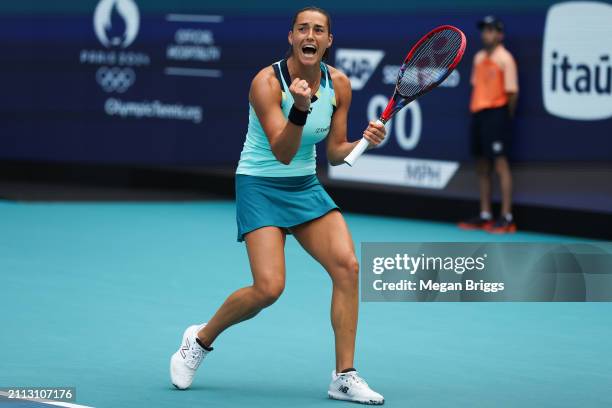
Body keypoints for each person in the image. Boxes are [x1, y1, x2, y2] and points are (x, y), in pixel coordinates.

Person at [169, 7, 386, 405]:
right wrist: (300, 109)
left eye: (319, 30)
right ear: (291, 37)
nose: (310, 35)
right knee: (268, 288)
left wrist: (366, 141)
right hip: (260, 185)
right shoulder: (266, 83)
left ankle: (344, 375)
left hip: (304, 186)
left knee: (348, 267)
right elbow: (282, 152)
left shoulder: (338, 84)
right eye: (303, 28)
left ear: (328, 41)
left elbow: (335, 154)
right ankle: (199, 340)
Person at [459, 15, 518, 234]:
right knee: (482, 165)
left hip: (498, 115)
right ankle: (485, 214)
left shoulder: (506, 59)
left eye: (491, 30)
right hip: (479, 115)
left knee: (501, 165)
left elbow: (512, 93)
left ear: (499, 34)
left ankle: (506, 217)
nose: (487, 34)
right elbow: (477, 86)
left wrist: (504, 116)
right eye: (484, 30)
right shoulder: (478, 58)